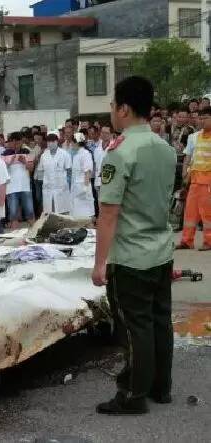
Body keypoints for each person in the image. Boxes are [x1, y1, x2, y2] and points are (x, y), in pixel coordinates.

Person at [92, 76, 176, 415]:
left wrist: (100, 264)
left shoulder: (121, 151)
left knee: (132, 326)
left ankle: (132, 393)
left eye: (113, 106)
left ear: (124, 109)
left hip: (131, 257)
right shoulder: (165, 148)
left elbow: (109, 213)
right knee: (159, 322)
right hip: (161, 249)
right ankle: (161, 387)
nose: (112, 112)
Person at [176, 106, 211, 251]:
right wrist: (185, 172)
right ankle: (186, 240)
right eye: (200, 118)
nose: (201, 121)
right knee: (190, 212)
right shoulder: (193, 136)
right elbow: (188, 157)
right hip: (195, 179)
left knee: (208, 213)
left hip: (208, 180)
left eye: (205, 118)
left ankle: (209, 241)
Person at [3, 132, 35, 229]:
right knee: (13, 213)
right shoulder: (5, 153)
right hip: (11, 188)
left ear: (21, 141)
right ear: (10, 142)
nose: (15, 144)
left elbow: (31, 168)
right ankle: (15, 235)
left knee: (30, 212)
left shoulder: (27, 151)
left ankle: (35, 233)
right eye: (13, 142)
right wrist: (10, 162)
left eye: (18, 141)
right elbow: (2, 170)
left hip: (25, 187)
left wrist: (24, 162)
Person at [37, 132, 72, 214]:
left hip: (61, 187)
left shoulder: (64, 154)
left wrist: (67, 182)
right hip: (48, 188)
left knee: (63, 211)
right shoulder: (44, 156)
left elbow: (69, 170)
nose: (50, 144)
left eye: (53, 142)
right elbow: (40, 171)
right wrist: (45, 183)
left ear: (57, 142)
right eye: (48, 142)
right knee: (50, 211)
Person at [69, 133, 95, 218]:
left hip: (83, 189)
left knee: (86, 217)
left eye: (72, 142)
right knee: (77, 216)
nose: (71, 144)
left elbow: (87, 171)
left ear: (77, 143)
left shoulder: (85, 154)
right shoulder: (77, 155)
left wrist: (85, 188)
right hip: (76, 189)